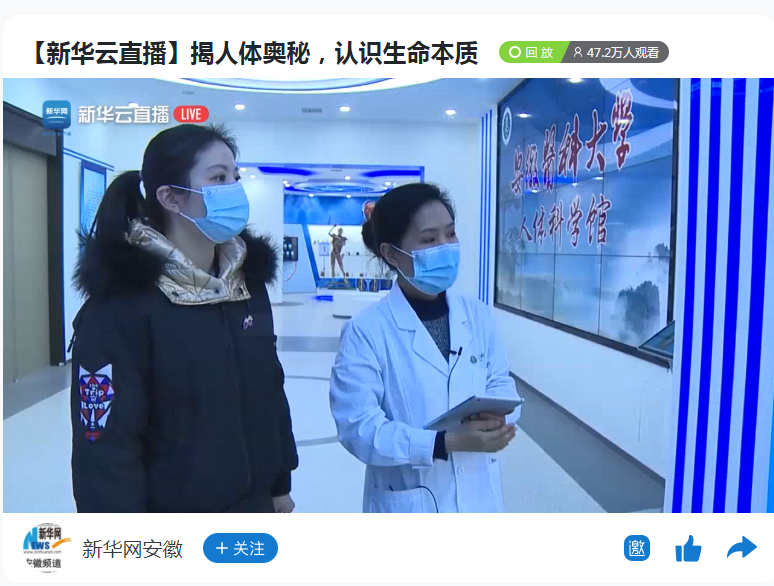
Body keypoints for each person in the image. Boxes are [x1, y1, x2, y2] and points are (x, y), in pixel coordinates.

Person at [70, 123, 298, 513]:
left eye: (235, 177)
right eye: (218, 178)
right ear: (171, 197)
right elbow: (105, 447)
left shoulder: (247, 285)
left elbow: (270, 390)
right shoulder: (119, 307)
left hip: (255, 506)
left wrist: (279, 483)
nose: (234, 189)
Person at [329, 183, 522, 513]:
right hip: (410, 500)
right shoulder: (366, 331)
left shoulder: (477, 316)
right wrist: (443, 443)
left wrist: (497, 417)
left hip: (480, 497)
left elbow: (500, 382)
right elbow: (358, 428)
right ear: (391, 254)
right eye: (429, 240)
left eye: (451, 233)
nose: (445, 247)